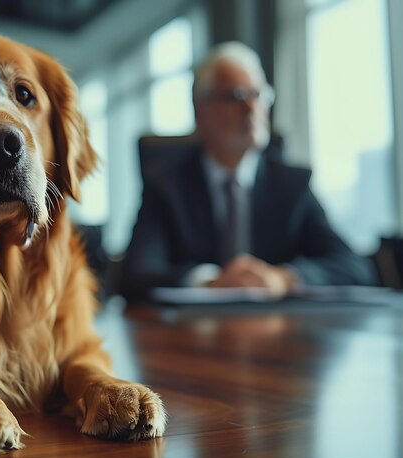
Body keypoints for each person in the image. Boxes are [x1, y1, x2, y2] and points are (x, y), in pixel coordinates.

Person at [120, 41, 377, 303]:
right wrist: (211, 282)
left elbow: (355, 268)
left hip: (282, 336)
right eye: (237, 96)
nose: (252, 109)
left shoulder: (291, 185)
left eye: (259, 95)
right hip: (191, 335)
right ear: (201, 112)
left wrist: (283, 278)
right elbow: (136, 274)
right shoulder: (166, 185)